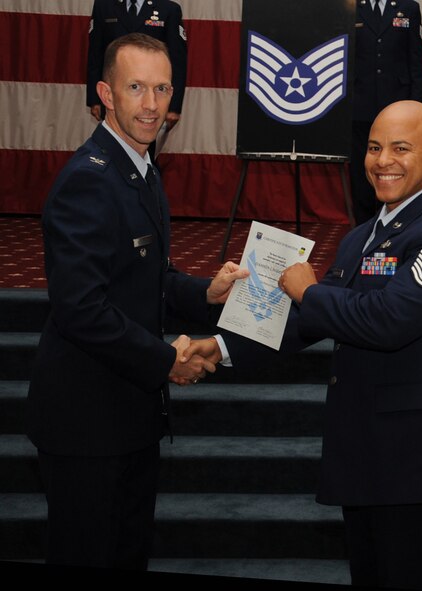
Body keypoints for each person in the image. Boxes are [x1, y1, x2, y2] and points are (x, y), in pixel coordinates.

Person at [186, 101, 422, 591]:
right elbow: (310, 322)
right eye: (373, 147)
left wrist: (308, 289)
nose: (382, 159)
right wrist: (222, 347)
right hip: (366, 453)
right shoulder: (362, 236)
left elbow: (387, 321)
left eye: (400, 148)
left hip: (419, 462)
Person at [26, 33, 247, 569]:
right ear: (105, 92)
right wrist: (167, 359)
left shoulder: (139, 168)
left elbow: (148, 277)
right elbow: (82, 309)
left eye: (162, 88)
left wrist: (207, 292)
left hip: (128, 416)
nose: (151, 104)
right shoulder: (89, 179)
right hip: (87, 424)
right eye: (135, 87)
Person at [350, 0, 422, 225]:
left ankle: (396, 224)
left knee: (397, 167)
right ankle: (364, 226)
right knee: (361, 171)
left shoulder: (409, 7)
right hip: (359, 104)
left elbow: (416, 62)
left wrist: (416, 108)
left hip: (398, 107)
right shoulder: (352, 7)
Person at [87, 0, 187, 134]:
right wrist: (94, 99)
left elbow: (177, 62)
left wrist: (174, 107)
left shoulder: (168, 9)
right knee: (113, 145)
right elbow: (95, 55)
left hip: (151, 99)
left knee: (145, 146)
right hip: (114, 96)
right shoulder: (104, 6)